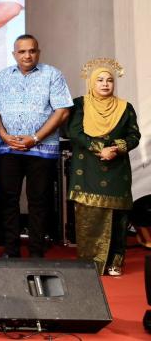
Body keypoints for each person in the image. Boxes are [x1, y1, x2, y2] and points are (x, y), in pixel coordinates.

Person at [0, 34, 72, 258]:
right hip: (8, 148)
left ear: (38, 52)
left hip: (42, 150)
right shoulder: (3, 76)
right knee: (8, 200)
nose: (27, 55)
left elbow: (62, 111)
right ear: (14, 54)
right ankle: (11, 251)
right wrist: (3, 134)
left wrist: (35, 137)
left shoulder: (52, 74)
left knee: (39, 201)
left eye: (32, 51)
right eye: (22, 51)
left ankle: (36, 252)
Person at [67, 60, 141, 275]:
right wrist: (100, 148)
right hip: (87, 167)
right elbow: (74, 132)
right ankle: (89, 263)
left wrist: (116, 148)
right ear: (91, 82)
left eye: (109, 80)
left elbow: (134, 135)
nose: (105, 84)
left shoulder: (125, 107)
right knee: (89, 215)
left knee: (118, 218)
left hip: (117, 168)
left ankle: (115, 262)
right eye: (100, 80)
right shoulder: (80, 104)